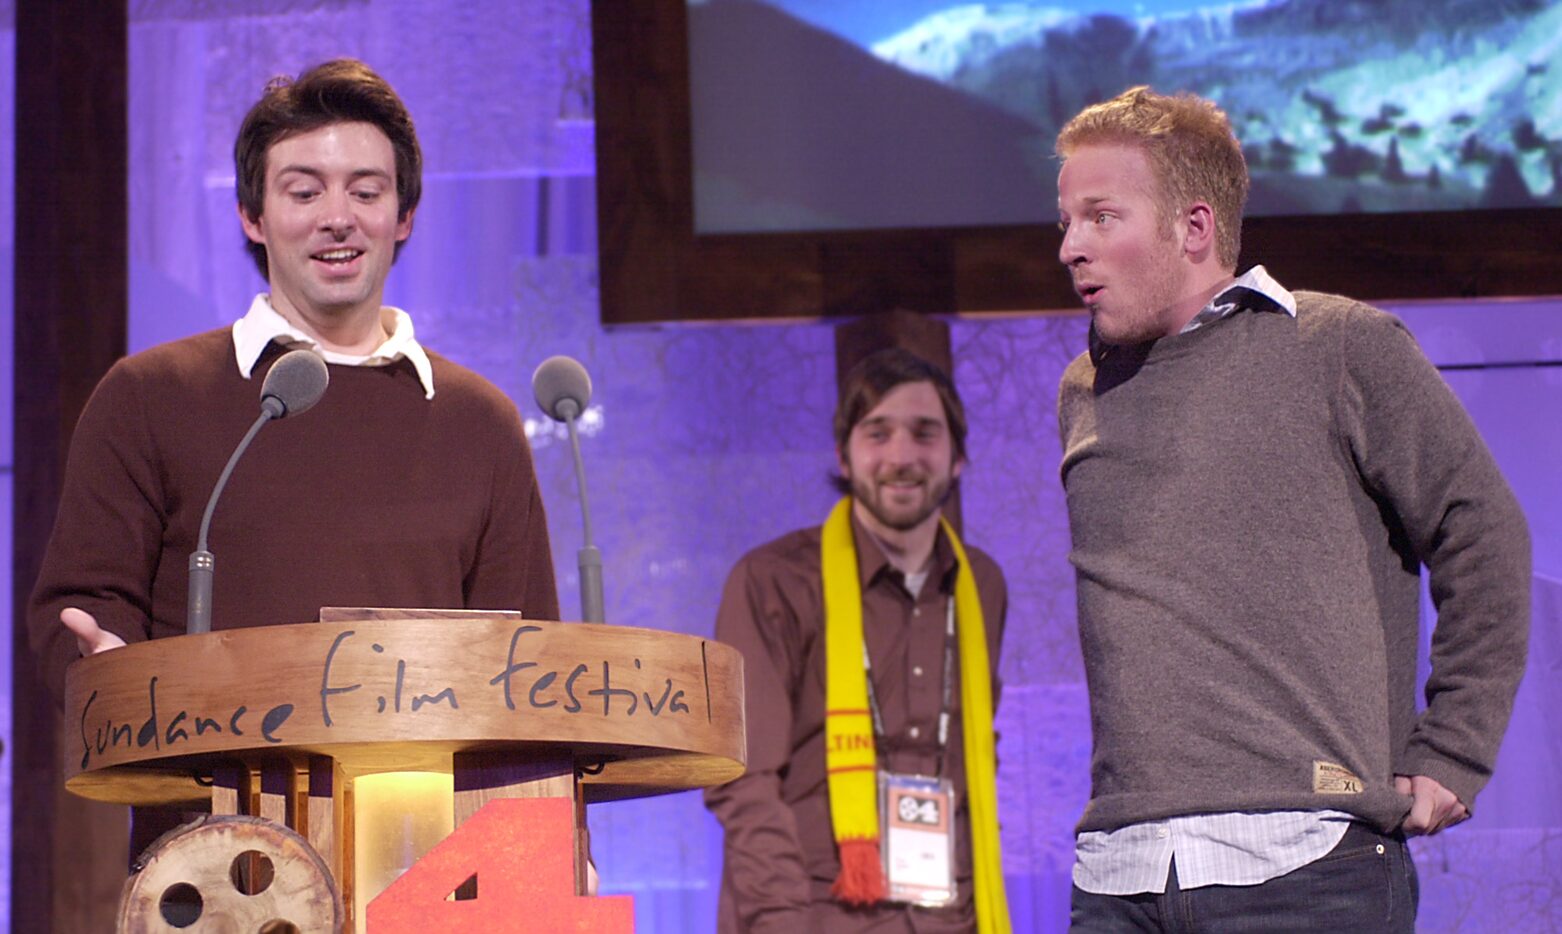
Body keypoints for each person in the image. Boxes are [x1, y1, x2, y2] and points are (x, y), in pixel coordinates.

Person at [1054, 86, 1531, 931]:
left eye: (1100, 217)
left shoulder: (1338, 346)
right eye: (1066, 221)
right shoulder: (1087, 388)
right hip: (1120, 873)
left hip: (1304, 865)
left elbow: (1481, 528)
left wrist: (1454, 750)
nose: (1069, 248)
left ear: (1192, 228)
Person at [28, 59, 558, 706]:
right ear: (253, 216)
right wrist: (111, 676)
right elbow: (81, 612)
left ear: (404, 217)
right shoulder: (149, 396)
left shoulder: (479, 422)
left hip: (418, 804)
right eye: (305, 193)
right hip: (215, 804)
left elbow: (527, 665)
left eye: (366, 193)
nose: (338, 218)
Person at [705, 348, 1011, 933]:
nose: (901, 456)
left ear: (959, 457)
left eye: (925, 433)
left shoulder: (982, 585)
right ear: (844, 456)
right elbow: (743, 780)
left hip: (952, 916)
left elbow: (977, 763)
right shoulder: (773, 582)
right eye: (878, 433)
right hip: (819, 917)